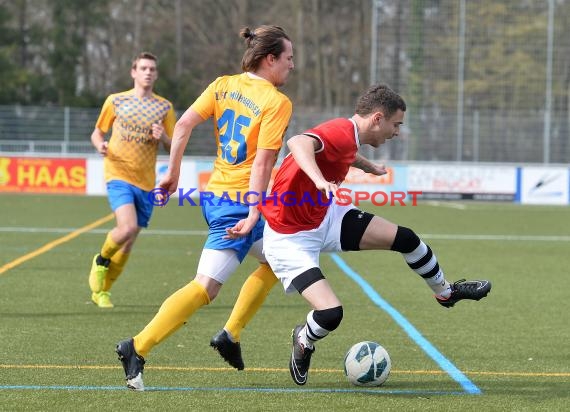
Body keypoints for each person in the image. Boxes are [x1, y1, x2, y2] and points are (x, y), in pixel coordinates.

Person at [220, 84, 491, 385]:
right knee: (330, 315)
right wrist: (319, 180)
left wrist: (368, 166)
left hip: (325, 216)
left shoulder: (351, 137)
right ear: (378, 118)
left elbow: (342, 153)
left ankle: (446, 293)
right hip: (289, 238)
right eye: (396, 124)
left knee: (407, 240)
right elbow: (298, 142)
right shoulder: (340, 130)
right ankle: (303, 339)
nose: (397, 132)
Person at [115, 25, 294, 391]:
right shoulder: (277, 102)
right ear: (270, 58)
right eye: (289, 58)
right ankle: (137, 347)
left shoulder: (222, 84)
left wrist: (173, 174)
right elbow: (262, 164)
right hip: (240, 204)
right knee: (205, 287)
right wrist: (255, 211)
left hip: (216, 196)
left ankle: (230, 334)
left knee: (280, 260)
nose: (293, 65)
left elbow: (182, 125)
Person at [88, 52, 176, 309]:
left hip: (147, 182)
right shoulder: (116, 101)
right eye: (144, 68)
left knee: (128, 243)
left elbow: (174, 146)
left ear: (156, 74)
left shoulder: (164, 107)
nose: (148, 72)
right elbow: (97, 132)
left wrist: (163, 138)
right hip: (118, 173)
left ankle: (102, 292)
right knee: (126, 227)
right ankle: (101, 260)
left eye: (152, 69)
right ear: (133, 72)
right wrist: (100, 145)